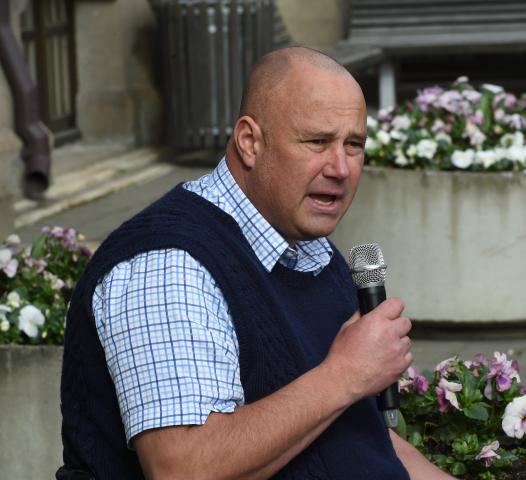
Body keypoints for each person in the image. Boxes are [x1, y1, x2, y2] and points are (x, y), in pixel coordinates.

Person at [57, 46, 454, 480]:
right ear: (250, 142)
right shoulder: (167, 264)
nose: (340, 167)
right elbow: (183, 468)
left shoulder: (310, 247)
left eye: (353, 145)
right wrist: (345, 375)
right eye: (317, 141)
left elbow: (365, 437)